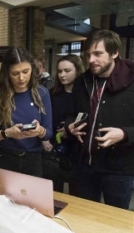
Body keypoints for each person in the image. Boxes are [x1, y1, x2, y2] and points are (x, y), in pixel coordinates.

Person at [65, 29, 134, 210]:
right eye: (88, 55)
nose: (90, 60)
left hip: (119, 169)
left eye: (98, 54)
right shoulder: (82, 81)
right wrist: (70, 126)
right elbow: (71, 113)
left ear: (114, 53)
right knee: (86, 217)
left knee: (115, 220)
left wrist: (124, 133)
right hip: (85, 165)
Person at [0, 46, 52, 177]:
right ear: (7, 73)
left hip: (33, 158)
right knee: (3, 197)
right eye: (15, 73)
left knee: (32, 197)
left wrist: (40, 131)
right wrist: (7, 133)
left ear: (33, 68)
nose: (21, 78)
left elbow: (48, 132)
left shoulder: (41, 93)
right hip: (4, 157)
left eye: (26, 71)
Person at [41, 54, 85, 194]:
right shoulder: (51, 94)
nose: (62, 75)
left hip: (78, 147)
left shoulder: (86, 95)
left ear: (77, 70)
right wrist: (45, 140)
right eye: (60, 71)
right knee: (54, 191)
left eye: (67, 71)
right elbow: (43, 118)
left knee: (77, 192)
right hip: (54, 147)